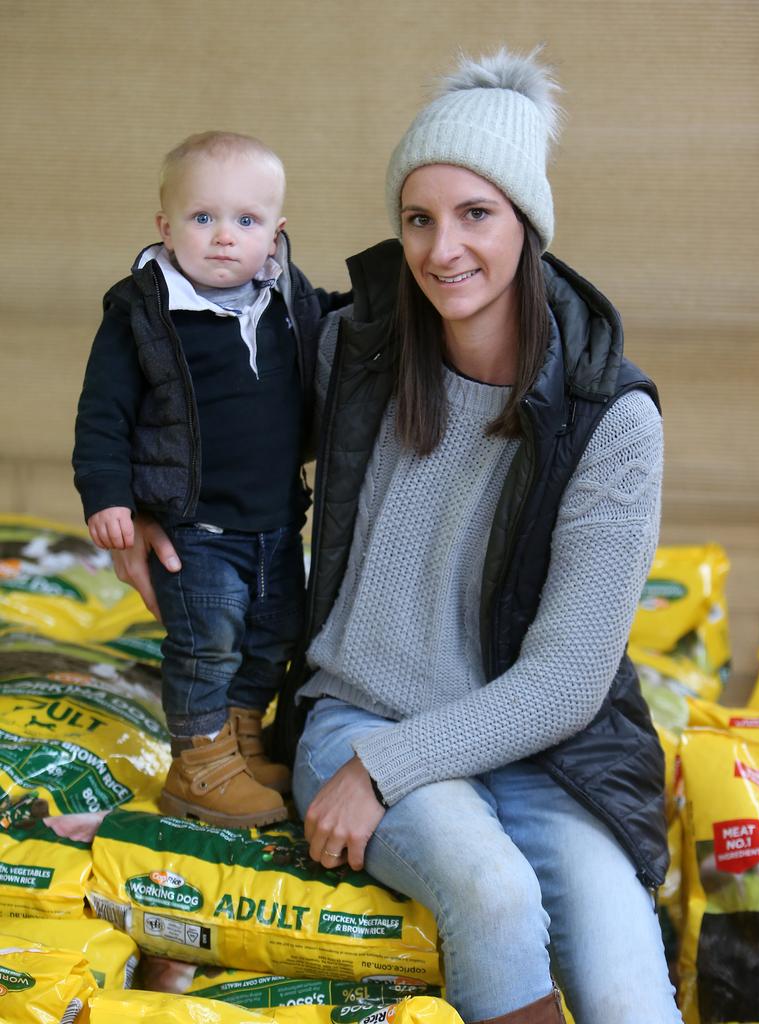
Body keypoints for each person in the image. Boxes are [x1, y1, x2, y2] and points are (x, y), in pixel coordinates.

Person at [113, 51, 683, 1024]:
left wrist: (382, 777)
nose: (441, 248)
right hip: (362, 713)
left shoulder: (609, 417)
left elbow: (564, 681)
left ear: (528, 224)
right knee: (494, 895)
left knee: (629, 996)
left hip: (548, 747)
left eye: (475, 214)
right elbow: (208, 406)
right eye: (418, 217)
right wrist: (138, 497)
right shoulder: (358, 354)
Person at [73, 131, 345, 830]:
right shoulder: (142, 313)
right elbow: (103, 412)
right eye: (203, 219)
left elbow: (350, 330)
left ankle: (240, 742)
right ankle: (198, 763)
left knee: (274, 635)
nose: (225, 238)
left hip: (278, 522)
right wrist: (109, 498)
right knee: (206, 643)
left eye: (246, 221)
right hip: (194, 527)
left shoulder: (289, 302)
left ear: (276, 234)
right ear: (165, 227)